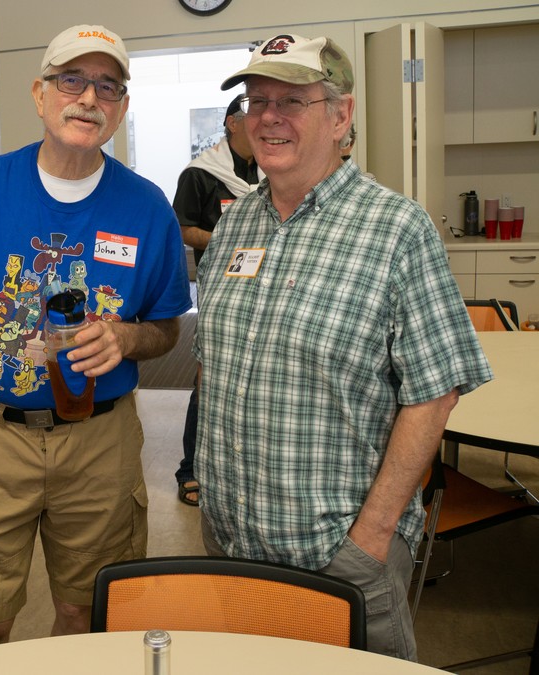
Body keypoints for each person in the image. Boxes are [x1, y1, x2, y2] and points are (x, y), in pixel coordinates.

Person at [192, 33, 492, 660]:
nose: (268, 117)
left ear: (340, 116)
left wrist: (370, 537)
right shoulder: (235, 223)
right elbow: (213, 367)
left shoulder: (396, 230)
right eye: (256, 101)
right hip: (230, 543)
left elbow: (435, 394)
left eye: (291, 101)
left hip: (338, 553)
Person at [0, 24, 191, 650]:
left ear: (122, 108)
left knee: (85, 616)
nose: (88, 98)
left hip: (100, 443)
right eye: (71, 80)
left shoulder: (146, 207)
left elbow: (167, 327)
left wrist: (126, 339)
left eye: (107, 87)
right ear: (40, 94)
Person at [171, 94, 261, 506]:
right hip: (221, 288)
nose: (261, 123)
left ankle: (243, 469)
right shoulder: (201, 174)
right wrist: (231, 241)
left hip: (266, 287)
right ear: (231, 123)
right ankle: (191, 468)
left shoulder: (267, 169)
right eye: (251, 114)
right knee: (209, 377)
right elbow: (181, 228)